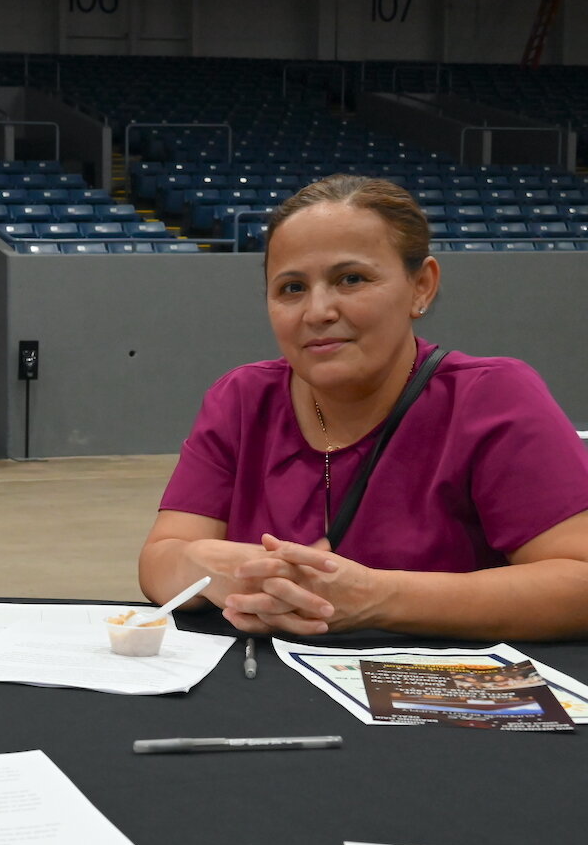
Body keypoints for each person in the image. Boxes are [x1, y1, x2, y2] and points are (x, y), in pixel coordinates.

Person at [139, 173, 588, 640]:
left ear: (421, 287)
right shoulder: (241, 398)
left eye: (350, 279)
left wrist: (376, 597)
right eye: (291, 288)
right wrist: (207, 566)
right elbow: (159, 561)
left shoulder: (492, 398)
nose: (317, 312)